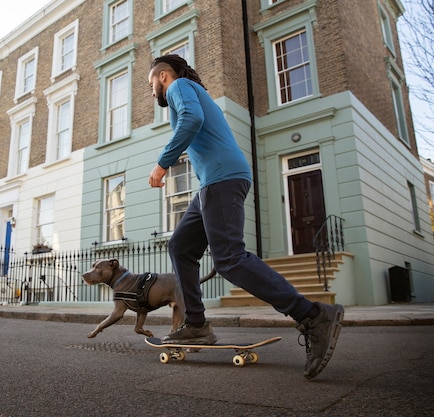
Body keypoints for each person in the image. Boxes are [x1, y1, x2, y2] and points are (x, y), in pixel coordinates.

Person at [147, 54, 344, 379]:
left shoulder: (180, 86)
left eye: (150, 83)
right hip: (214, 182)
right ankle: (196, 324)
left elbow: (191, 121)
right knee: (180, 246)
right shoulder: (191, 90)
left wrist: (163, 162)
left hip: (222, 180)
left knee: (230, 259)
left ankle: (311, 315)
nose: (150, 90)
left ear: (163, 76)